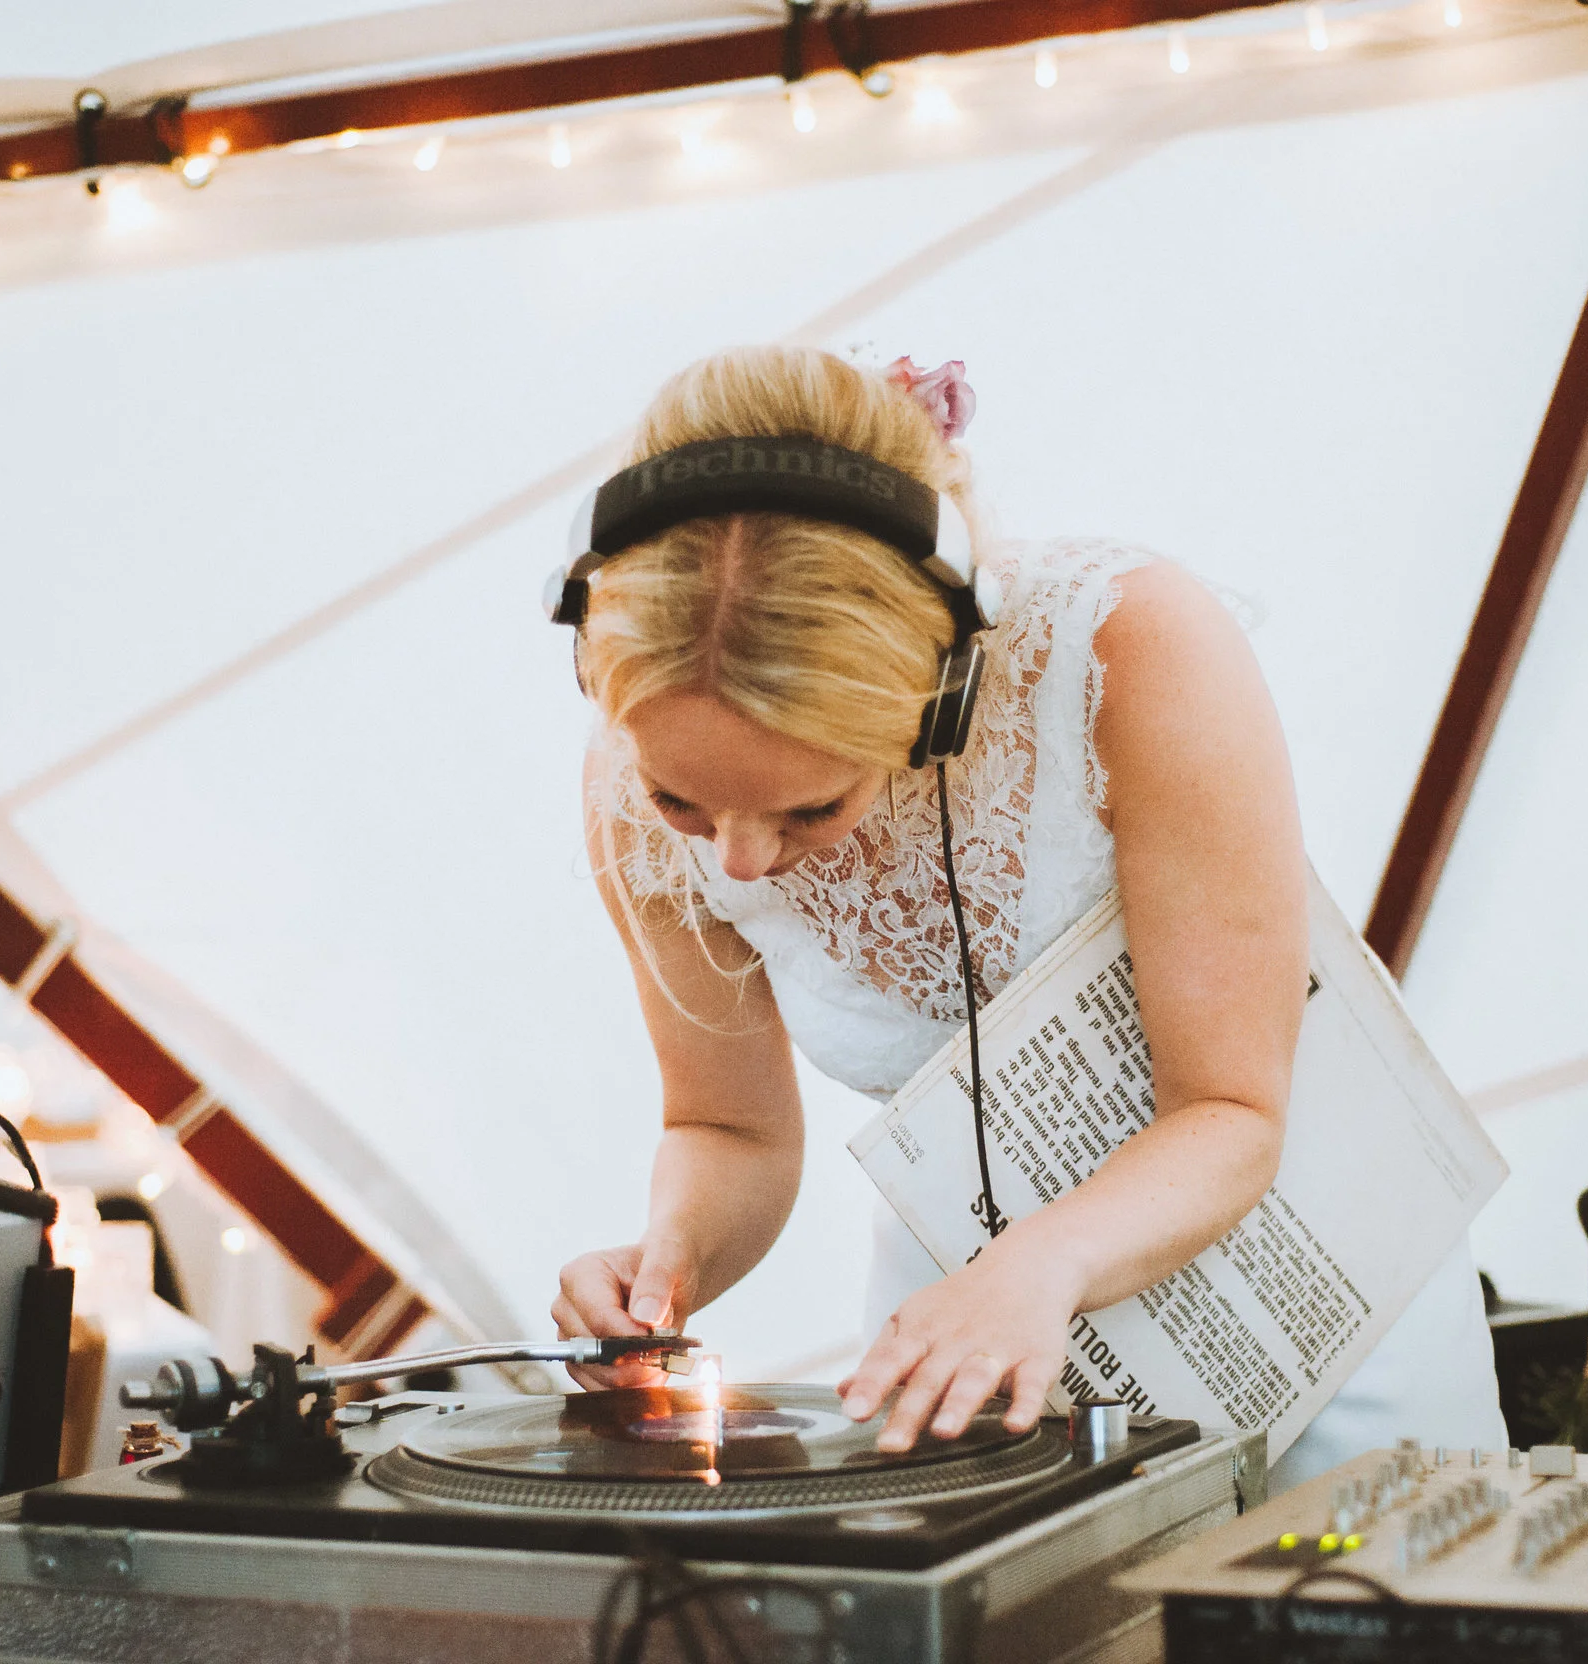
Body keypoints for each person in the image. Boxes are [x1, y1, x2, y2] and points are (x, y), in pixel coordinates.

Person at [550, 345, 1503, 1487]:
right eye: (682, 802)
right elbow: (731, 1132)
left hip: (1304, 1312)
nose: (742, 859)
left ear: (941, 691)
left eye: (812, 803)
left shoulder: (1130, 648)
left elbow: (1233, 1108)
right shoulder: (629, 774)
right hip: (962, 1323)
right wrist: (670, 1260)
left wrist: (1037, 1267)